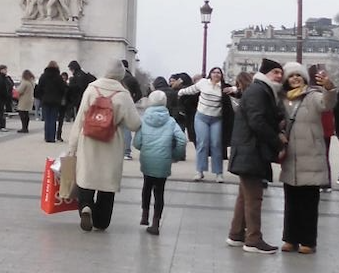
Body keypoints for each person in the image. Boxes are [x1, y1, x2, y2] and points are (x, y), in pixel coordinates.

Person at [64, 59, 142, 232]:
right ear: (121, 74)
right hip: (111, 141)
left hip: (89, 139)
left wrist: (72, 145)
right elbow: (134, 124)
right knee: (107, 182)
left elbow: (80, 119)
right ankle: (101, 221)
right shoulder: (123, 94)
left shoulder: (92, 88)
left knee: (86, 176)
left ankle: (86, 207)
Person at [226, 57, 286, 253]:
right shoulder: (258, 91)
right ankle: (253, 239)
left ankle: (236, 234)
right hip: (250, 149)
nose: (279, 76)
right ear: (266, 73)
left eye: (280, 73)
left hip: (247, 149)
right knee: (254, 197)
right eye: (276, 72)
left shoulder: (260, 90)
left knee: (245, 196)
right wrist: (277, 141)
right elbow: (257, 121)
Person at [278, 62, 337, 252]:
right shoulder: (283, 99)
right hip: (291, 156)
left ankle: (308, 241)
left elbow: (327, 103)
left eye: (299, 76)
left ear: (304, 78)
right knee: (291, 201)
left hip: (311, 155)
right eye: (291, 76)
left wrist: (329, 87)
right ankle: (290, 238)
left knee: (309, 202)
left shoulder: (312, 96)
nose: (295, 79)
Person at [133, 89, 186, 235]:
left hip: (147, 160)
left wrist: (143, 148)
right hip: (163, 161)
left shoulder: (144, 120)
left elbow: (136, 143)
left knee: (146, 187)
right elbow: (182, 140)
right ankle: (156, 222)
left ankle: (144, 215)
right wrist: (175, 155)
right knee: (159, 192)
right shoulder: (170, 121)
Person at [176, 67, 238, 181]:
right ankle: (200, 171)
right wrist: (180, 92)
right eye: (214, 72)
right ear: (210, 74)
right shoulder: (203, 83)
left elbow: (237, 90)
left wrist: (234, 88)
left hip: (216, 119)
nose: (216, 74)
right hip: (201, 118)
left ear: (221, 75)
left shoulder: (224, 87)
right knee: (202, 143)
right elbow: (191, 90)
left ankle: (218, 173)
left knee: (216, 145)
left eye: (218, 73)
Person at [35, 60, 65, 142]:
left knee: (47, 119)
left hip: (45, 100)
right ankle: (52, 137)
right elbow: (63, 89)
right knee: (53, 119)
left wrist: (42, 97)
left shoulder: (43, 76)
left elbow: (39, 88)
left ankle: (47, 137)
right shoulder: (58, 77)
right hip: (55, 101)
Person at [14, 69, 36, 134]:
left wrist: (16, 89)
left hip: (24, 99)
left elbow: (19, 90)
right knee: (26, 114)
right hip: (30, 99)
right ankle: (26, 127)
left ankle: (24, 128)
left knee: (22, 113)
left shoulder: (25, 82)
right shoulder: (32, 82)